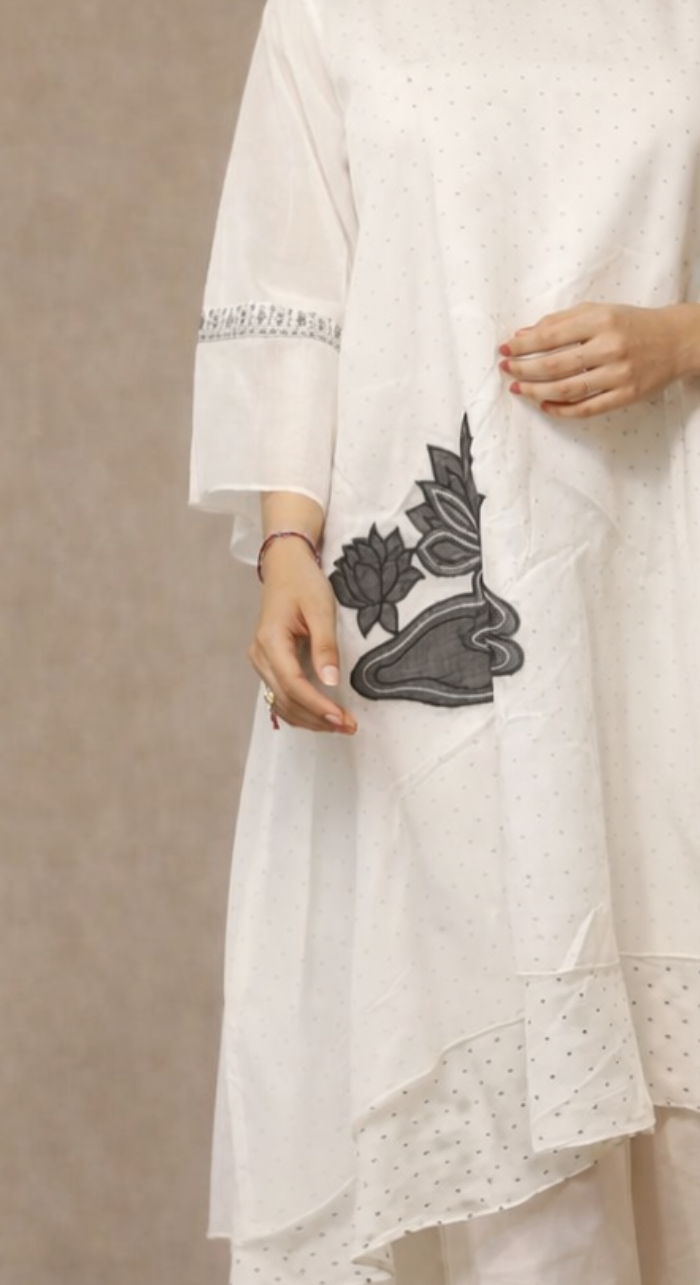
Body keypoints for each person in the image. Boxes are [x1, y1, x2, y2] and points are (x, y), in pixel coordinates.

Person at [190, 1, 700, 1281]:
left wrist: (683, 337)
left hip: (656, 577)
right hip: (439, 619)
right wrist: (288, 544)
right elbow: (291, 289)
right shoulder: (330, 15)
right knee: (513, 1093)